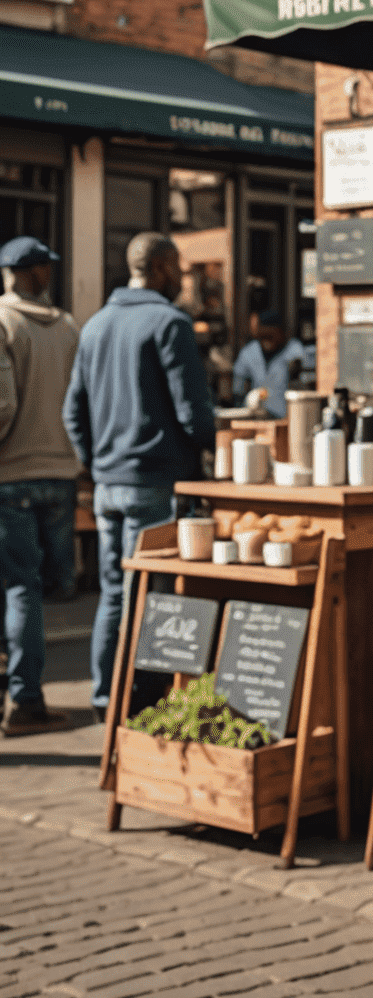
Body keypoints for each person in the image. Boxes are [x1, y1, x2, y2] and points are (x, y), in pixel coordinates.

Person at [64, 233, 217, 719]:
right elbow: (194, 413)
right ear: (162, 267)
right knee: (148, 593)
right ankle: (140, 701)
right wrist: (211, 446)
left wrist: (96, 463)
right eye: (178, 268)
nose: (181, 278)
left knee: (114, 590)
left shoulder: (95, 326)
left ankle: (105, 697)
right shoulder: (170, 323)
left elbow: (73, 412)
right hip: (154, 480)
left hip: (109, 483)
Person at [0, 236, 80, 735]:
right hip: (60, 472)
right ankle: (26, 695)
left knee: (17, 589)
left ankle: (25, 700)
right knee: (39, 588)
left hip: (11, 475)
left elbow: (2, 407)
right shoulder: (69, 328)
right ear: (39, 273)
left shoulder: (3, 322)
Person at [231, 309, 307, 417]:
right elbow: (238, 386)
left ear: (281, 332)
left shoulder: (295, 350)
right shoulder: (249, 352)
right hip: (257, 415)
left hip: (287, 416)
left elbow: (305, 385)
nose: (266, 340)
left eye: (270, 335)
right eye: (263, 336)